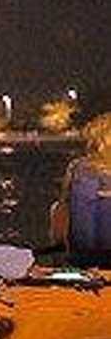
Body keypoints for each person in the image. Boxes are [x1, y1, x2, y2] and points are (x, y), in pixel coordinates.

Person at [49, 112, 111, 267]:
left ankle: (61, 265)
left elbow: (61, 216)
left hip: (82, 261)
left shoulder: (76, 168)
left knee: (56, 208)